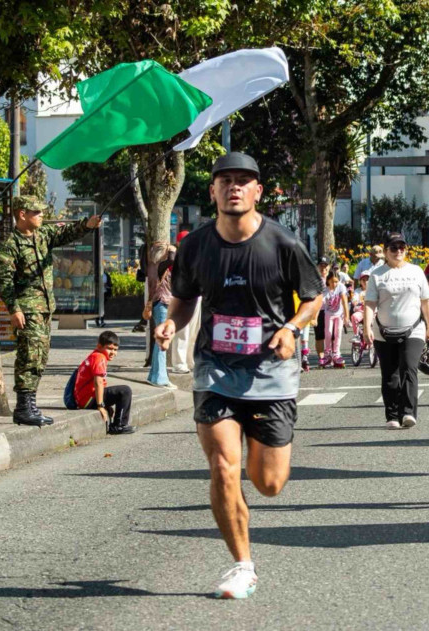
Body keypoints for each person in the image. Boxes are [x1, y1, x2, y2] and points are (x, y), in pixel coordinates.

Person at [153, 152, 323, 599]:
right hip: (216, 369)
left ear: (257, 192)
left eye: (244, 181)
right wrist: (173, 322)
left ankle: (264, 452)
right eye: (225, 180)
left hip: (271, 371)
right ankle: (242, 565)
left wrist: (292, 328)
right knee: (224, 468)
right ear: (212, 190)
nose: (234, 187)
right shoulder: (195, 245)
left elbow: (313, 298)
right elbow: (186, 296)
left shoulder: (283, 243)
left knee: (268, 482)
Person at [0, 195, 102, 426]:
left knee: (41, 357)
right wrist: (14, 309)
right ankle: (23, 407)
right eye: (36, 212)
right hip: (28, 310)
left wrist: (88, 224)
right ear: (22, 214)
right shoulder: (10, 247)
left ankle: (31, 404)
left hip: (44, 309)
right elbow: (4, 282)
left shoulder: (42, 236)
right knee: (29, 357)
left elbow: (66, 233)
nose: (41, 215)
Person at [364, 231, 429, 430]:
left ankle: (408, 413)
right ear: (386, 251)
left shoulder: (415, 271)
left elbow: (426, 301)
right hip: (383, 332)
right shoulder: (377, 275)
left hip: (413, 330)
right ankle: (392, 415)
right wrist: (367, 327)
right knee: (390, 375)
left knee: (408, 368)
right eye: (394, 248)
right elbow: (370, 303)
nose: (399, 251)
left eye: (402, 247)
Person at [73, 330, 135, 434]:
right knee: (125, 391)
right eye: (109, 348)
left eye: (115, 350)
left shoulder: (95, 355)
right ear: (99, 346)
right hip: (88, 399)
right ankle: (119, 425)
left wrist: (106, 405)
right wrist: (100, 405)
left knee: (120, 391)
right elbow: (98, 383)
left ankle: (118, 423)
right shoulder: (99, 357)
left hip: (84, 398)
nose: (113, 353)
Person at [145, 250, 176, 389]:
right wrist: (171, 249)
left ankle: (154, 375)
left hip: (162, 303)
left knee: (160, 340)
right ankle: (160, 378)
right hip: (163, 303)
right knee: (162, 341)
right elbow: (172, 258)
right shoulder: (160, 266)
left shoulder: (154, 266)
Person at [170, 230, 199, 374]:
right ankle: (179, 363)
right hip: (182, 296)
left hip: (197, 295)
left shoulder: (196, 254)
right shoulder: (176, 256)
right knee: (182, 331)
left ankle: (190, 360)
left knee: (194, 331)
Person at [321, 271, 350, 368]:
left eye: (336, 281)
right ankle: (327, 354)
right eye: (332, 282)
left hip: (339, 314)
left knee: (338, 333)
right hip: (329, 314)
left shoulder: (341, 287)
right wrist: (314, 317)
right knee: (328, 333)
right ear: (328, 281)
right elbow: (320, 302)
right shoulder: (325, 289)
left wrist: (346, 316)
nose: (334, 284)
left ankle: (336, 353)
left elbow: (345, 302)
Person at [314, 255, 330, 365]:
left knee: (331, 334)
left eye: (325, 266)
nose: (323, 268)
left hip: (331, 310)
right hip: (318, 310)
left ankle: (331, 355)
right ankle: (321, 357)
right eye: (321, 265)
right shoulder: (313, 279)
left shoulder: (333, 277)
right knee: (319, 335)